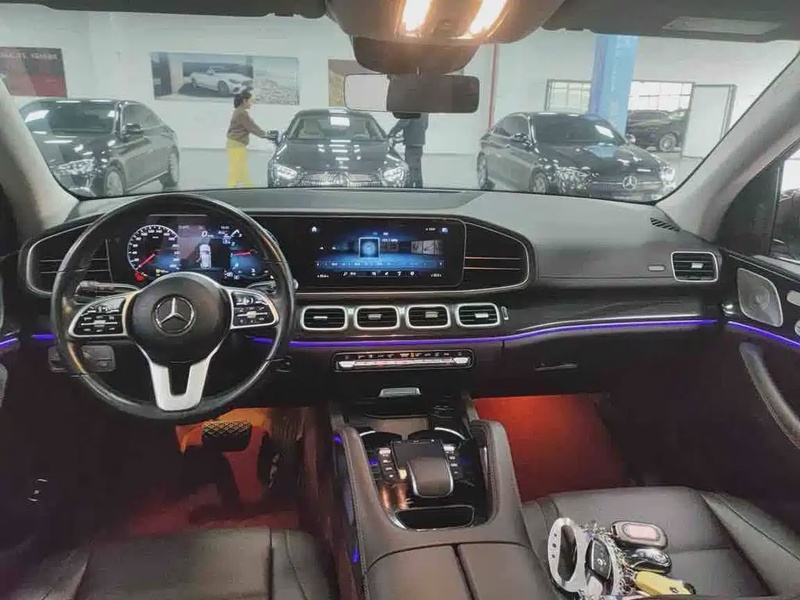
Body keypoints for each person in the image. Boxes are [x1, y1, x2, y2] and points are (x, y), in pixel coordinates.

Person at [226, 89, 268, 187]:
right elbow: (251, 127)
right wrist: (264, 135)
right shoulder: (242, 113)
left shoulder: (240, 111)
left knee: (240, 169)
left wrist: (264, 134)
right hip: (236, 144)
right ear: (244, 101)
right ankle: (232, 189)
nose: (251, 103)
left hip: (236, 144)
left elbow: (252, 125)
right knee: (236, 170)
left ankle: (248, 187)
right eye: (250, 101)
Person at [389, 113, 429, 188]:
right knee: (417, 165)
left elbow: (403, 122)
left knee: (410, 165)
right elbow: (426, 125)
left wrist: (392, 132)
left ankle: (409, 185)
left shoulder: (411, 109)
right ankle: (418, 185)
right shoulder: (425, 111)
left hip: (411, 142)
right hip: (419, 141)